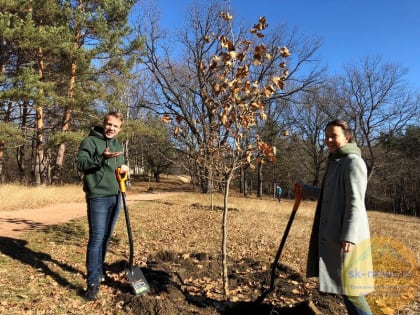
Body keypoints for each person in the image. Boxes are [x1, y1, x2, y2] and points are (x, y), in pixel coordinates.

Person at [296, 119, 374, 315]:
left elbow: (355, 201)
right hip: (335, 234)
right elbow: (332, 192)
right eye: (327, 136)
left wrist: (349, 235)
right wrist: (307, 190)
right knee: (346, 287)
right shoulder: (337, 161)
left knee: (352, 288)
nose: (329, 140)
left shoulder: (353, 162)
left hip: (346, 237)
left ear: (347, 137)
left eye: (334, 136)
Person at [76, 112, 129, 301]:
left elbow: (118, 166)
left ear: (119, 129)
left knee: (106, 238)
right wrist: (101, 157)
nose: (111, 128)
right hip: (98, 196)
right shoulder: (90, 142)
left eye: (115, 126)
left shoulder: (117, 144)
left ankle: (99, 272)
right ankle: (92, 284)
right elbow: (81, 163)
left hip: (116, 196)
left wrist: (124, 169)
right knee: (97, 239)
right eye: (109, 124)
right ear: (103, 123)